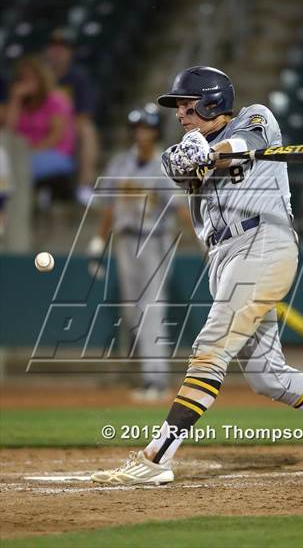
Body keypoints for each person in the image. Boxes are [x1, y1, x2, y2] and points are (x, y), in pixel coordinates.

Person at [91, 66, 303, 485]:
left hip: (264, 243)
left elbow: (244, 142)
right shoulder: (183, 147)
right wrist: (194, 157)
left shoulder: (257, 117)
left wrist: (214, 154)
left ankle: (156, 459)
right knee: (267, 375)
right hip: (222, 258)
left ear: (213, 101)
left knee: (210, 348)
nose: (179, 113)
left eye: (186, 104)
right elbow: (175, 169)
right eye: (177, 105)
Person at [89, 104, 189, 401]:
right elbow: (109, 206)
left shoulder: (166, 163)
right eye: (137, 127)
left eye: (146, 127)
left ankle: (156, 381)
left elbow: (181, 208)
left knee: (151, 308)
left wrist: (206, 239)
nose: (141, 133)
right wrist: (97, 242)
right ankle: (147, 375)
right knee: (133, 311)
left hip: (154, 241)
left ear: (155, 131)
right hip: (124, 240)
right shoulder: (121, 162)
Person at [5, 55, 76, 201]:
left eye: (30, 78)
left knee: (20, 167)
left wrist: (30, 151)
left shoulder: (56, 100)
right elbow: (9, 131)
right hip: (22, 154)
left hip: (55, 153)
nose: (26, 83)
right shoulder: (20, 104)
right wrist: (15, 99)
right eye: (22, 78)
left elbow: (55, 137)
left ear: (40, 78)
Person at [45, 28, 99, 205]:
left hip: (68, 129)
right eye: (54, 46)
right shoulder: (39, 77)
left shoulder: (78, 78)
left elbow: (85, 114)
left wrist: (63, 127)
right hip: (41, 129)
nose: (57, 51)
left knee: (87, 130)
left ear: (70, 53)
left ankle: (84, 186)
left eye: (63, 47)